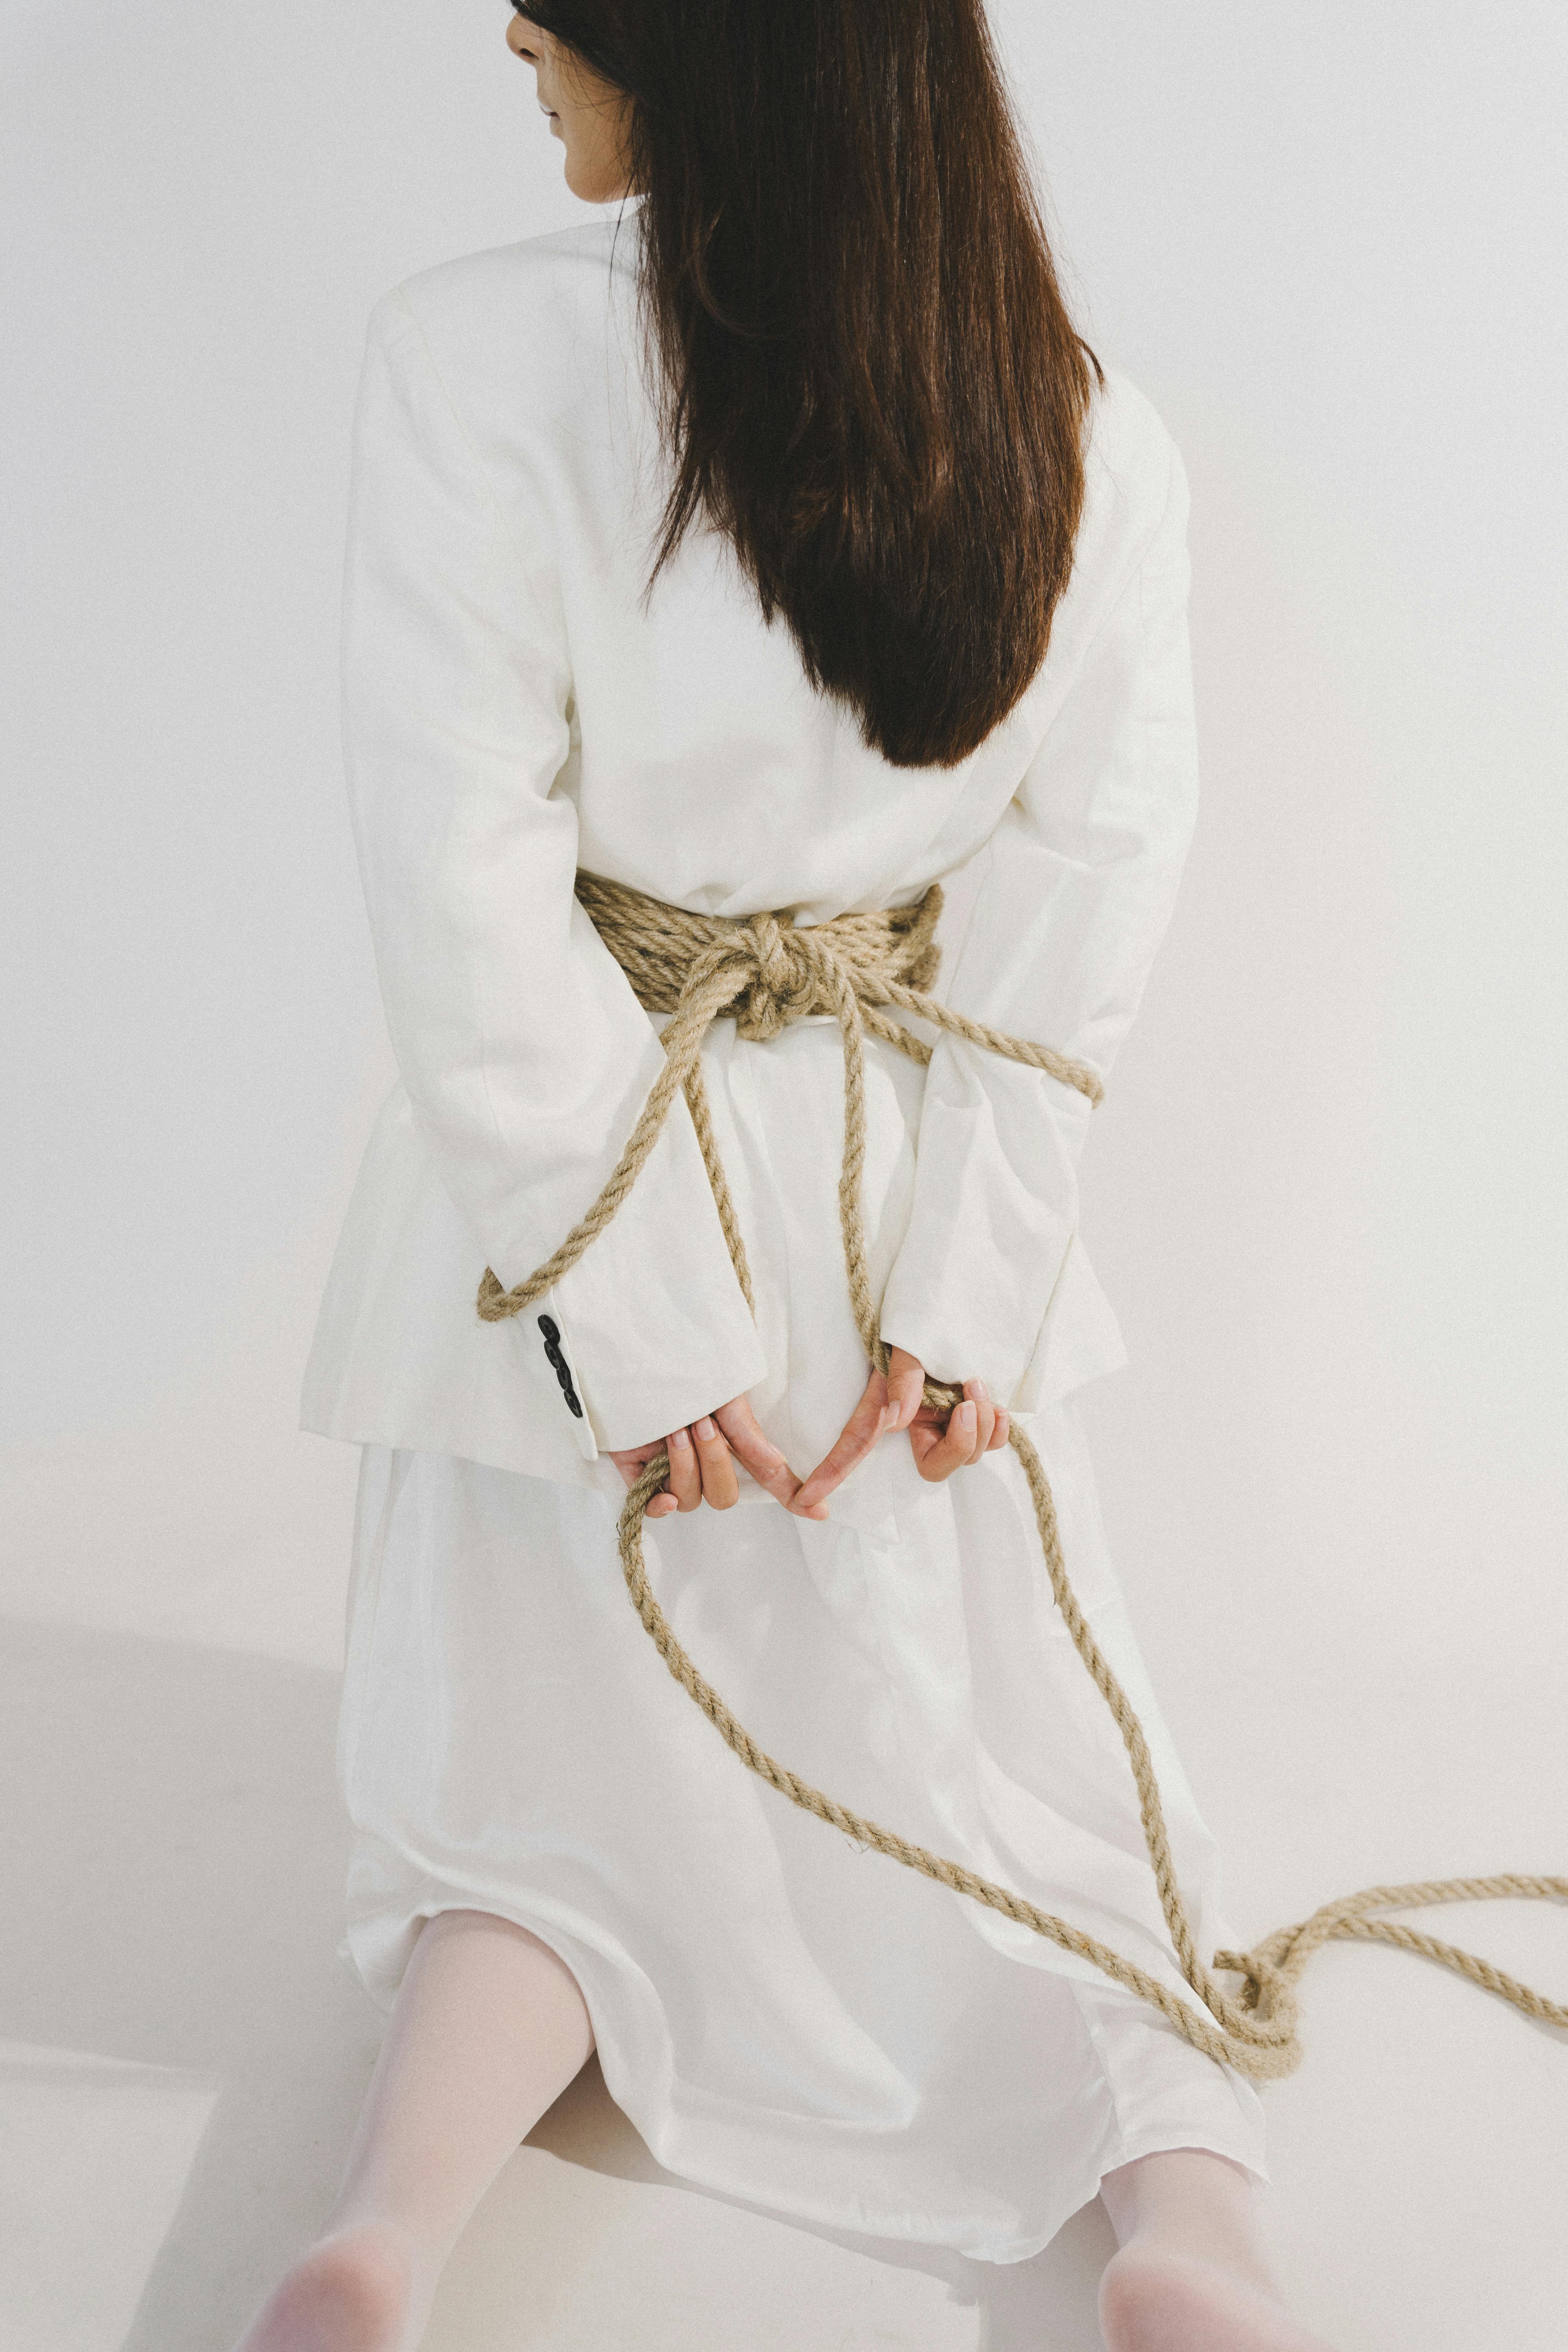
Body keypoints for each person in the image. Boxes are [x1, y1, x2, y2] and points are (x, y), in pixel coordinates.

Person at [237, 6, 1339, 2347]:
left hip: (562, 1222)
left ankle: (387, 2232)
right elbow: (1090, 888)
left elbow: (464, 887)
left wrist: (629, 1323)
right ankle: (1190, 2237)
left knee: (520, 1806)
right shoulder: (1078, 421)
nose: (513, 28)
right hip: (873, 1215)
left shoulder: (469, 358)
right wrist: (973, 1289)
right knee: (1038, 1805)